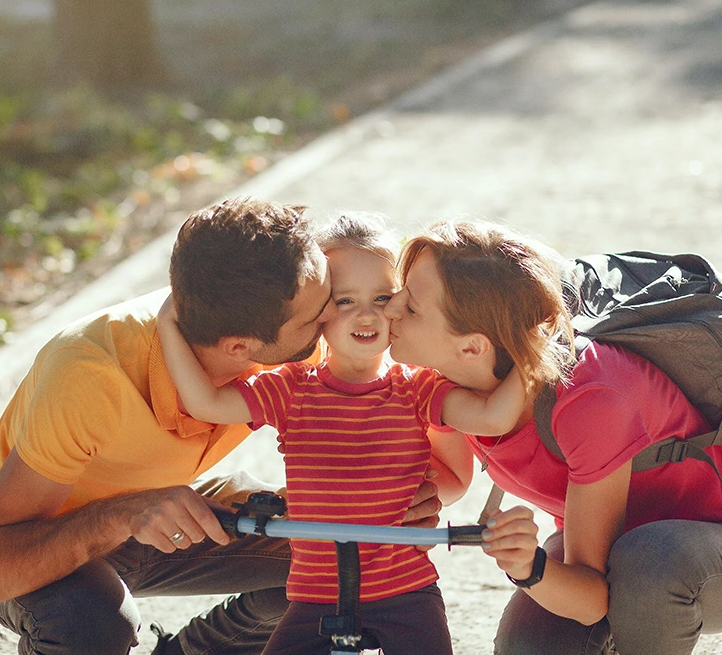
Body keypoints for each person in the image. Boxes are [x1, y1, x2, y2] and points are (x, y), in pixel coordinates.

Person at [0, 197, 442, 655]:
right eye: (320, 314)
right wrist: (123, 514)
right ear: (240, 350)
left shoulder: (270, 323)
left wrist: (406, 493)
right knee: (90, 621)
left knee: (342, 553)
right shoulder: (91, 375)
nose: (330, 328)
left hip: (166, 505)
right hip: (38, 542)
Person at [381, 220, 722, 655]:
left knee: (646, 565)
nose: (390, 308)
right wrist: (401, 497)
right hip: (601, 545)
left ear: (473, 347)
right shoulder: (448, 378)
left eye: (412, 307)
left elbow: (591, 598)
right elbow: (447, 474)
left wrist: (529, 566)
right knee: (528, 644)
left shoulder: (589, 396)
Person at [156, 212, 526, 655]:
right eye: (345, 300)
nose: (366, 314)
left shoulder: (418, 387)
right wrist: (167, 323)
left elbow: (492, 417)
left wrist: (534, 349)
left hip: (406, 590)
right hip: (315, 593)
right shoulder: (292, 388)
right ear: (318, 315)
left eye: (383, 297)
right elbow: (206, 403)